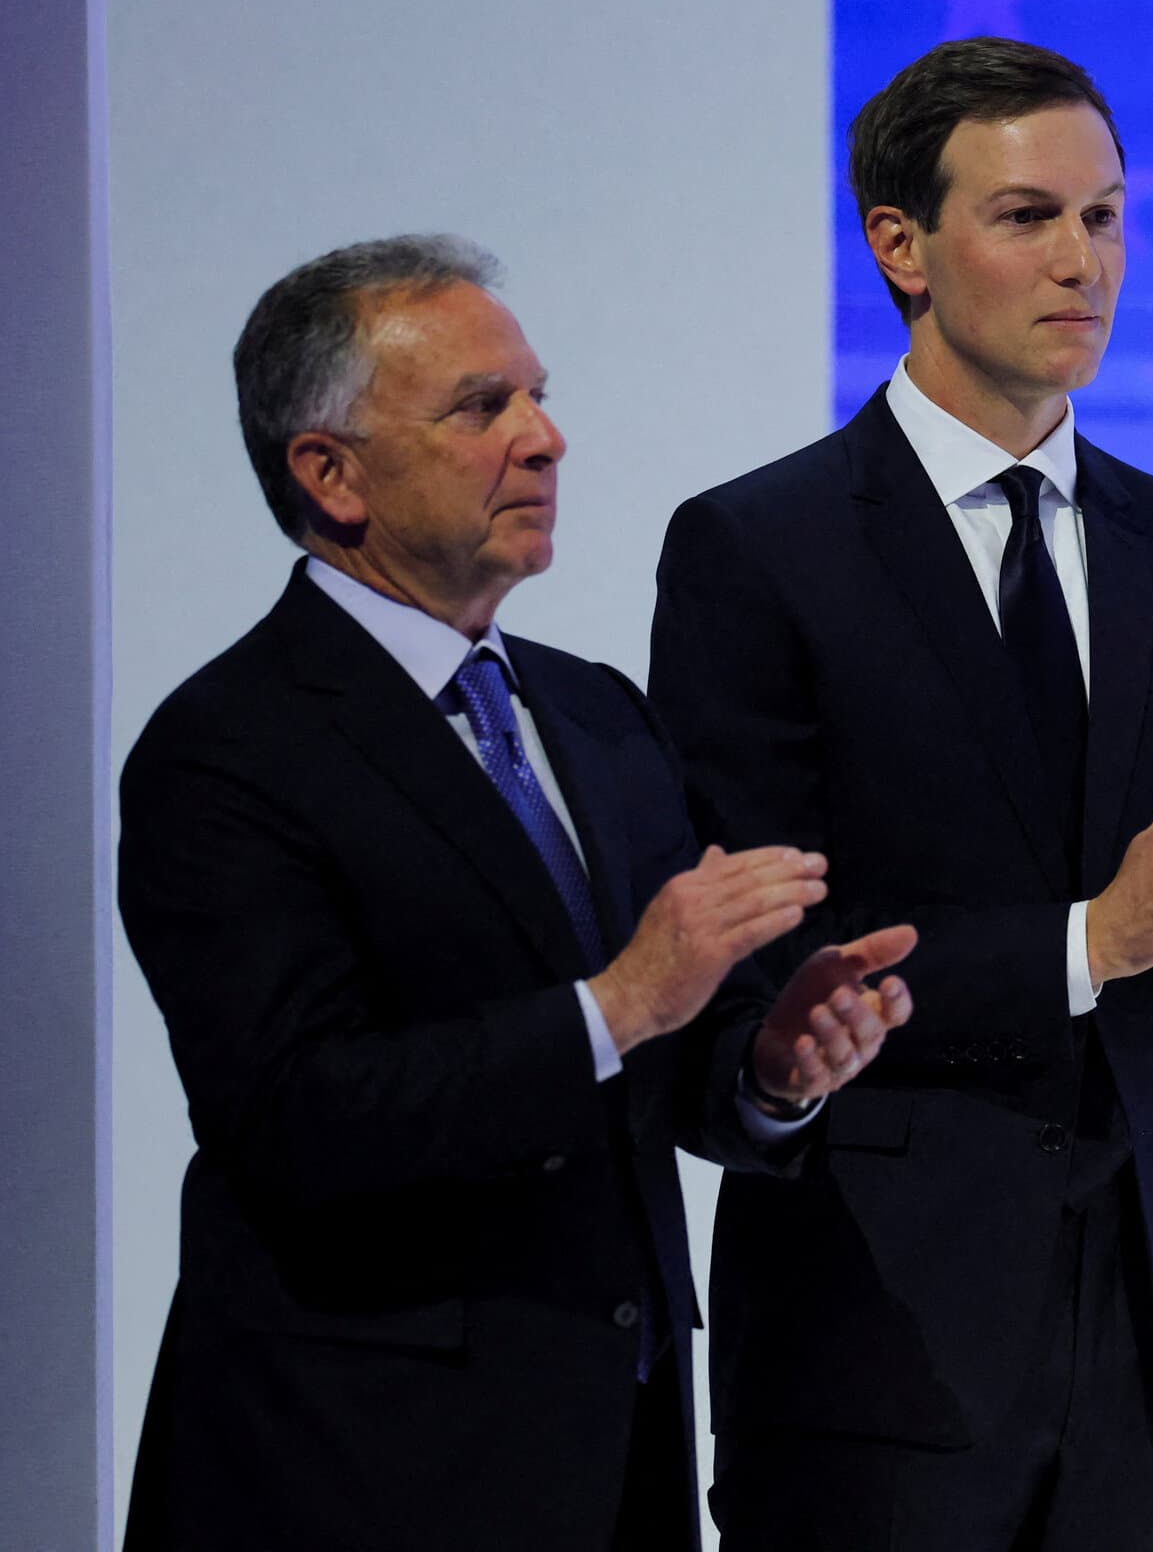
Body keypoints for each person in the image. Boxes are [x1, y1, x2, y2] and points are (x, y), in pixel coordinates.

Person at [648, 38, 1153, 1551]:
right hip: (880, 1356)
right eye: (1029, 217)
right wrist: (1091, 941)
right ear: (898, 246)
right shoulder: (757, 552)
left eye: (1106, 218)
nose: (1082, 262)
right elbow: (767, 960)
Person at [118, 235, 914, 1552]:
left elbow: (660, 1063)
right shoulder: (228, 749)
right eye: (483, 407)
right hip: (355, 1474)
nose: (545, 440)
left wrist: (770, 1068)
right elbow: (295, 1118)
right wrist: (617, 1003)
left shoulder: (597, 715)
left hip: (616, 1460)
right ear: (330, 474)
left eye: (537, 396)